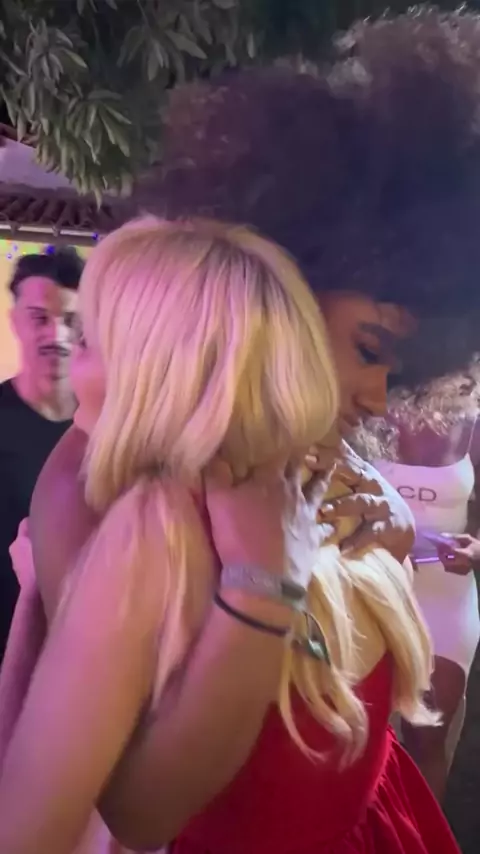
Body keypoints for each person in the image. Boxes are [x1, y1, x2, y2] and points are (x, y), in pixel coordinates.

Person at [0, 215, 455, 854]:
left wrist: (393, 527)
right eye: (368, 350)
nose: (381, 399)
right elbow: (97, 810)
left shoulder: (313, 465)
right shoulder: (144, 522)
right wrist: (263, 588)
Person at [360, 361, 480, 799]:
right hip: (369, 582)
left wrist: (476, 549)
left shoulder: (474, 415)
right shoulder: (365, 398)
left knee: (427, 736)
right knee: (358, 733)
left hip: (443, 590)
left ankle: (420, 833)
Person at [0, 248, 83, 663]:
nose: (58, 336)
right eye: (39, 318)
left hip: (87, 655)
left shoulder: (112, 429)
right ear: (15, 321)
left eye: (70, 320)